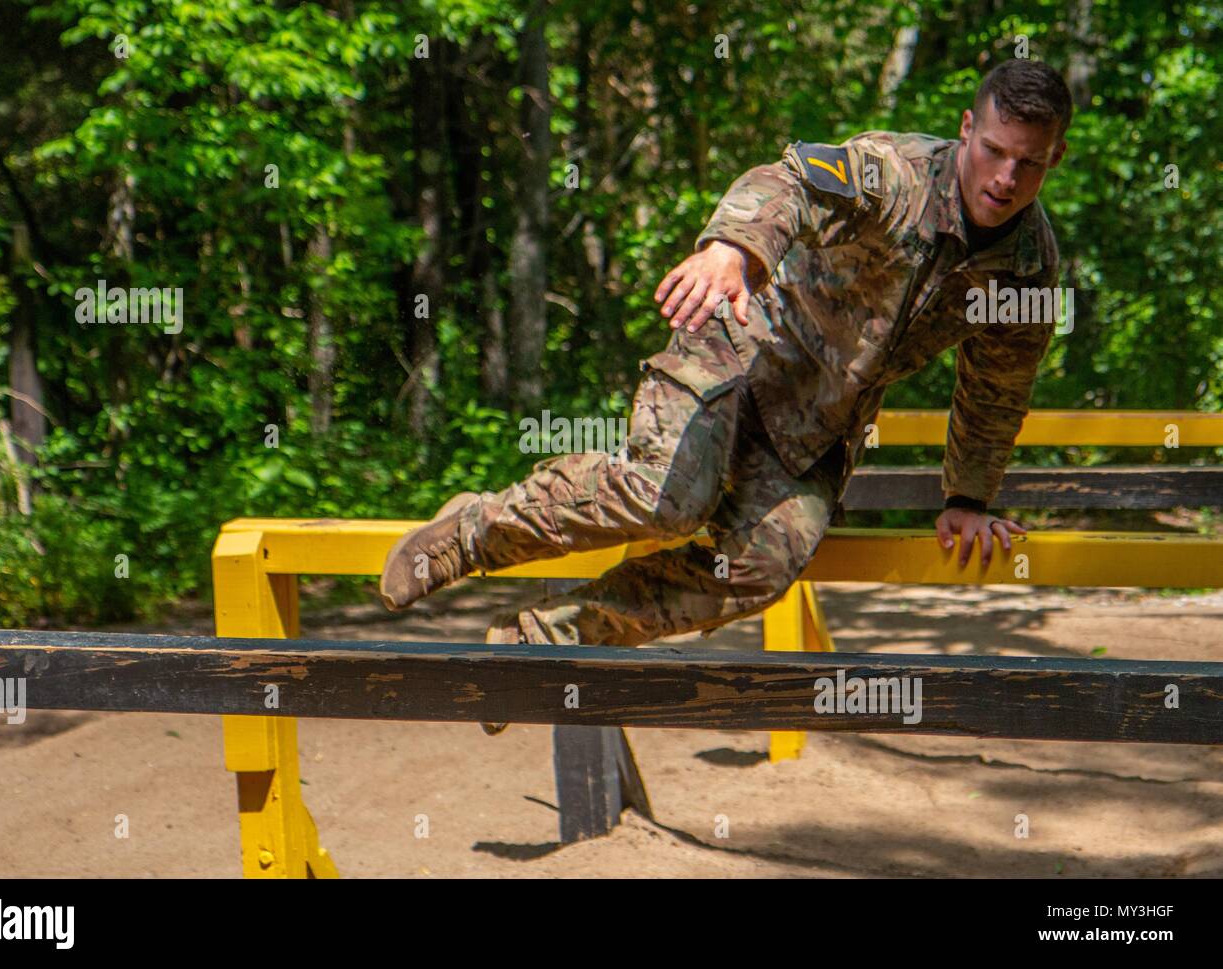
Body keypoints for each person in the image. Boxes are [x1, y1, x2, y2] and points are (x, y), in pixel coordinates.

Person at [380, 59, 1071, 732]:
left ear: (1055, 159)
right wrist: (734, 248)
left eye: (1029, 163)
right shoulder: (896, 176)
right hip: (737, 347)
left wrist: (968, 498)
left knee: (759, 567)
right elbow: (791, 181)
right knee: (670, 497)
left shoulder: (1029, 267)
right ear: (965, 130)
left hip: (817, 423)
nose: (1006, 178)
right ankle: (471, 533)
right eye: (994, 151)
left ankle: (538, 639)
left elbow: (998, 383)